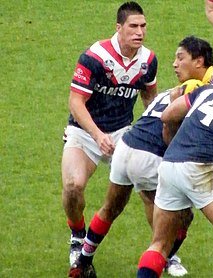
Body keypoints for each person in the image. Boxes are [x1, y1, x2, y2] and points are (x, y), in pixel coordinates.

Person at [61, 2, 158, 277]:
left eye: (143, 26)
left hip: (123, 133)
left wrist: (150, 131)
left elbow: (149, 97)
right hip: (85, 131)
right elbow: (76, 102)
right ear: (119, 28)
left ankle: (163, 250)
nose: (140, 32)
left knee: (148, 191)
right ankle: (77, 236)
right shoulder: (94, 56)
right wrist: (97, 135)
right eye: (133, 26)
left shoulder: (148, 60)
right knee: (72, 186)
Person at [68, 80, 202, 278]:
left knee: (110, 208)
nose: (175, 64)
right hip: (149, 157)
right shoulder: (196, 94)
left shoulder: (174, 90)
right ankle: (163, 259)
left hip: (126, 147)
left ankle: (82, 262)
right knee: (180, 220)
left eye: (180, 59)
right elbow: (168, 132)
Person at [137, 83, 213, 278]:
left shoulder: (209, 89)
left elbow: (167, 115)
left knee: (160, 244)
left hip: (171, 163)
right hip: (201, 168)